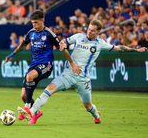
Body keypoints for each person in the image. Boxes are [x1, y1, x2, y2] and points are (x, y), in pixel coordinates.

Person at [17, 19, 148, 124]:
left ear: (98, 31)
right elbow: (64, 42)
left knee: (88, 107)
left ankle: (96, 116)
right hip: (67, 74)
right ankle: (31, 111)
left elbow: (119, 48)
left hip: (83, 79)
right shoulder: (79, 36)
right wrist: (62, 44)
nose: (89, 32)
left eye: (92, 31)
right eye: (89, 29)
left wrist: (136, 50)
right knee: (48, 90)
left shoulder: (100, 44)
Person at [4, 10, 80, 124]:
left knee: (29, 77)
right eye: (32, 23)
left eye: (36, 23)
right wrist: (12, 54)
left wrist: (72, 63)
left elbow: (62, 48)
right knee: (23, 95)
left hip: (46, 65)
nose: (34, 25)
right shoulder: (31, 33)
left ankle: (28, 107)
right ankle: (36, 113)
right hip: (34, 65)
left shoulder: (49, 33)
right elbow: (23, 45)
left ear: (42, 20)